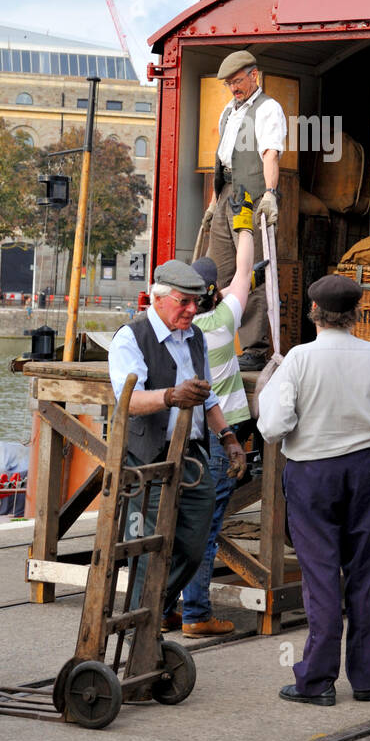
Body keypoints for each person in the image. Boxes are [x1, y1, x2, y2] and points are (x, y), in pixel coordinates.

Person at [257, 274, 370, 706]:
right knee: (363, 571)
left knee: (321, 574)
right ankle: (367, 680)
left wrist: (269, 390)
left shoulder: (298, 360)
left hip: (312, 474)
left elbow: (273, 428)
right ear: (355, 315)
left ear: (314, 314)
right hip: (365, 470)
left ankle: (317, 681)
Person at [107, 258, 246, 629]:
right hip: (148, 458)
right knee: (147, 547)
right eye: (184, 302)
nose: (191, 310)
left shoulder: (195, 336)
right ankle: (142, 625)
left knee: (195, 542)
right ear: (159, 299)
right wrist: (170, 396)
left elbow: (207, 395)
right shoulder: (131, 337)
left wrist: (228, 436)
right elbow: (128, 401)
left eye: (195, 303)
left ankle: (153, 609)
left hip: (191, 456)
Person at [181, 192, 258, 637]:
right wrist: (244, 225)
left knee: (184, 517)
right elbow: (244, 270)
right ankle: (197, 614)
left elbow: (230, 286)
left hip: (187, 431)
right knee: (207, 524)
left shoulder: (183, 327)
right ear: (216, 295)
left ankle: (171, 605)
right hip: (221, 429)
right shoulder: (226, 321)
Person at [202, 49, 286, 371]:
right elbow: (223, 159)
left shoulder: (268, 109)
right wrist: (213, 203)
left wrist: (269, 194)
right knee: (215, 270)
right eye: (229, 84)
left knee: (251, 272)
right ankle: (211, 341)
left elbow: (269, 155)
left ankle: (254, 348)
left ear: (254, 75)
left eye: (238, 81)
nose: (234, 88)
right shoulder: (228, 111)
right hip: (226, 196)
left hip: (251, 198)